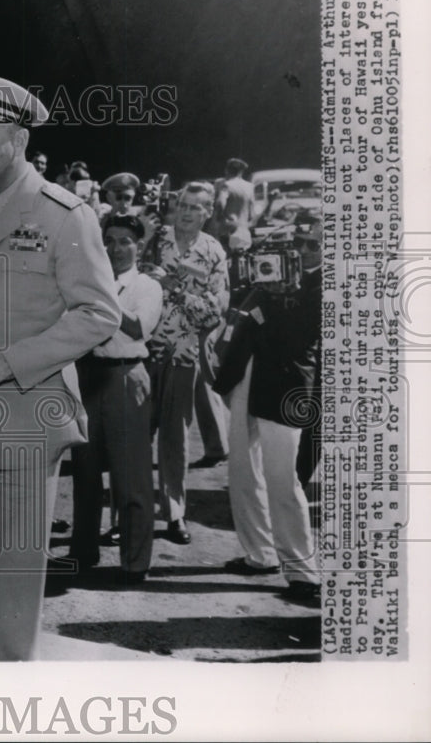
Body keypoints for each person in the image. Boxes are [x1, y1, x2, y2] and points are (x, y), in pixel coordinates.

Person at [0, 73, 120, 661]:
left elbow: (99, 313)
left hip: (27, 417)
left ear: (18, 138)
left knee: (15, 581)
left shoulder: (65, 216)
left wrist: (15, 362)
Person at [211, 213, 322, 603]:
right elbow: (244, 318)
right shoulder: (272, 272)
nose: (304, 251)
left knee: (283, 478)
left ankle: (304, 571)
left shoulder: (326, 282)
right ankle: (259, 554)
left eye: (314, 245)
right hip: (248, 374)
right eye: (300, 243)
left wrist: (275, 298)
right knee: (242, 468)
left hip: (288, 384)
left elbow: (300, 335)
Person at [71, 214, 161, 582]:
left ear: (139, 246)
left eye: (125, 241)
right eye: (110, 240)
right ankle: (82, 551)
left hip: (126, 375)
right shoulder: (92, 280)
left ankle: (135, 562)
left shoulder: (146, 285)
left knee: (132, 473)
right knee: (85, 471)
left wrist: (101, 298)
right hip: (89, 374)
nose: (116, 248)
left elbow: (139, 326)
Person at [143, 181, 229, 545]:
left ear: (209, 212)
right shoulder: (152, 238)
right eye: (183, 204)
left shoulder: (213, 251)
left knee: (175, 439)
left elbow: (215, 312)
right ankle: (125, 514)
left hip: (182, 355)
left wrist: (174, 289)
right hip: (140, 351)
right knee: (133, 436)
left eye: (196, 207)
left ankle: (174, 512)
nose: (188, 212)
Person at [207, 158, 256, 250]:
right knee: (241, 258)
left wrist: (219, 217)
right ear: (241, 172)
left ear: (227, 170)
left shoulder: (227, 185)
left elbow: (220, 203)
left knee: (224, 258)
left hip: (227, 230)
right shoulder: (250, 187)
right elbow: (252, 214)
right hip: (243, 230)